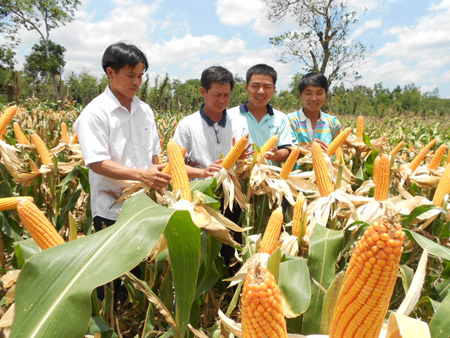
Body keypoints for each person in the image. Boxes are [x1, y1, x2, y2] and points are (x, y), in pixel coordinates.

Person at [74, 42, 171, 231]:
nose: (137, 82)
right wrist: (142, 175)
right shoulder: (95, 112)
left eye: (140, 76)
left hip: (146, 205)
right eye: (130, 75)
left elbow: (153, 156)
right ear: (111, 73)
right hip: (112, 211)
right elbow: (97, 162)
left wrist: (157, 181)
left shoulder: (145, 110)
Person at [173, 65, 249, 179]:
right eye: (217, 95)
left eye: (226, 95)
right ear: (203, 92)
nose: (222, 100)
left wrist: (241, 159)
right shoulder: (187, 125)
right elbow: (174, 165)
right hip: (198, 192)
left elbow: (242, 164)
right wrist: (202, 173)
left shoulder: (238, 124)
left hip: (230, 191)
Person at [228, 64, 291, 164]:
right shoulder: (229, 116)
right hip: (237, 177)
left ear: (274, 90)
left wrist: (276, 155)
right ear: (246, 88)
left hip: (269, 177)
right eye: (255, 86)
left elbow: (286, 149)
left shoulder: (281, 118)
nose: (261, 91)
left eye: (267, 87)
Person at [288, 72, 341, 151]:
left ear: (325, 94)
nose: (314, 98)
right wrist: (306, 149)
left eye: (319, 93)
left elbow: (340, 158)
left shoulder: (333, 123)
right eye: (308, 93)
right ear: (300, 95)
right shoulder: (289, 121)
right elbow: (286, 153)